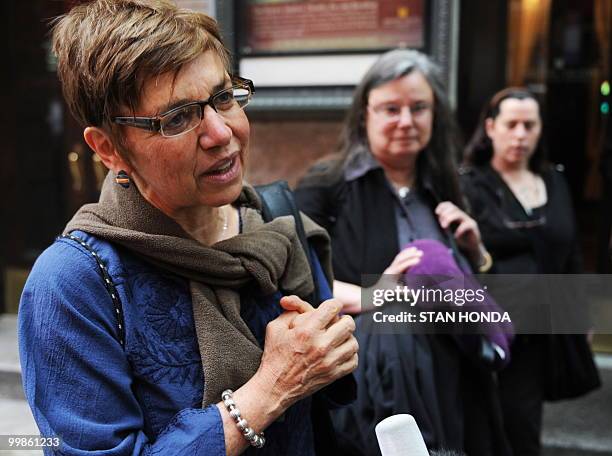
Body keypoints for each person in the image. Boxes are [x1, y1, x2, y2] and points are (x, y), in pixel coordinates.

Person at [18, 1, 358, 454]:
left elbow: (325, 417)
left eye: (222, 97)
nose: (220, 132)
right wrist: (269, 389)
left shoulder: (276, 225)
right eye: (176, 118)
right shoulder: (74, 285)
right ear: (109, 148)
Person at [295, 49, 510, 456]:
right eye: (391, 108)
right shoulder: (327, 184)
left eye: (419, 107)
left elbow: (471, 290)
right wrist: (374, 293)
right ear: (365, 114)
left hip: (454, 373)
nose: (406, 121)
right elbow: (294, 274)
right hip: (379, 379)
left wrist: (474, 251)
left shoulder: (445, 184)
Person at [463, 87, 599, 456]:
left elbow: (570, 254)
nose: (520, 134)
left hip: (542, 330)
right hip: (493, 329)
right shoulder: (469, 185)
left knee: (524, 427)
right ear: (491, 128)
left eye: (529, 125)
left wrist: (580, 313)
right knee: (492, 425)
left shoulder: (554, 181)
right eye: (512, 124)